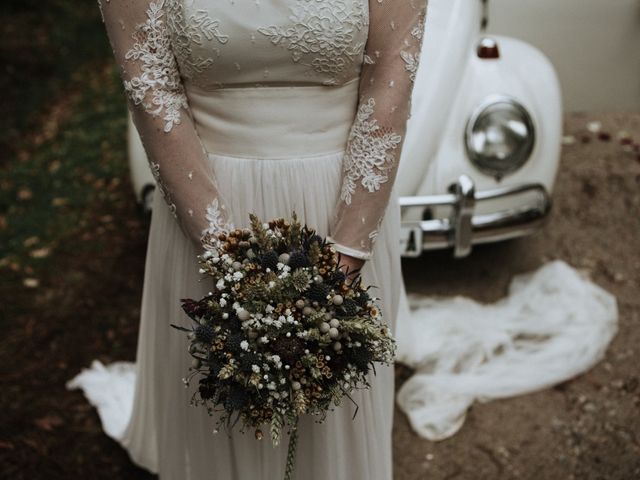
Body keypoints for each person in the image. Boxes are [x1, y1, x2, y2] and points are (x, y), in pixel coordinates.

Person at [96, 0, 427, 478]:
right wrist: (226, 257)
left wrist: (347, 255)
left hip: (341, 202)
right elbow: (151, 90)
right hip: (204, 208)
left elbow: (393, 75)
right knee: (218, 405)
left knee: (330, 412)